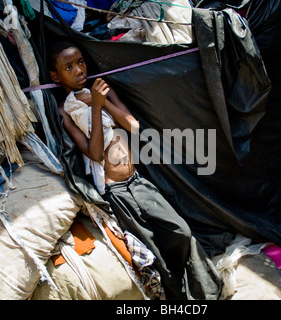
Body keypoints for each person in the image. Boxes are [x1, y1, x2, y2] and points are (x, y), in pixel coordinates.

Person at [48, 40, 192, 299]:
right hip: (115, 191)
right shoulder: (65, 109)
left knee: (180, 231)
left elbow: (133, 126)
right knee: (151, 249)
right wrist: (94, 106)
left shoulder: (101, 91)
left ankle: (184, 284)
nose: (79, 70)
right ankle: (173, 296)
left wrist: (103, 100)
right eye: (69, 67)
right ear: (56, 76)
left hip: (136, 181)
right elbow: (93, 153)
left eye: (80, 62)